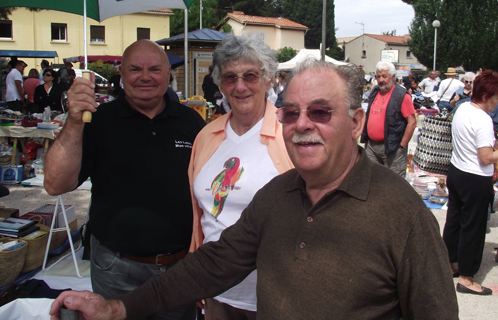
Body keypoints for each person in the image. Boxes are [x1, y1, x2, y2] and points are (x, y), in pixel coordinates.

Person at [50, 59, 458, 320]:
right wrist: (119, 307)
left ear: (355, 123)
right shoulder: (277, 194)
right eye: (291, 113)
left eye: (320, 111)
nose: (302, 124)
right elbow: (214, 263)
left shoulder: (401, 211)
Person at [44, 39, 205, 320]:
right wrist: (73, 120)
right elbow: (56, 184)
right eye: (135, 69)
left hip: (179, 270)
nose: (145, 76)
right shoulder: (96, 121)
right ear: (121, 74)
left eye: (154, 69)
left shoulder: (192, 123)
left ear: (168, 73)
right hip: (116, 269)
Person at [189, 34, 293, 319]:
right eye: (230, 78)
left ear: (268, 78)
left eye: (250, 76)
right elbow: (201, 217)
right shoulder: (206, 136)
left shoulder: (290, 134)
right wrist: (197, 272)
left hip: (275, 295)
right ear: (220, 84)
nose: (240, 86)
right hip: (217, 292)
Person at [442, 70, 498, 296]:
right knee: (472, 228)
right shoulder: (483, 119)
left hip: (456, 172)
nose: (497, 102)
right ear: (485, 95)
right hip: (475, 178)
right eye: (495, 97)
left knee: (454, 221)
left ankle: (448, 263)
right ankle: (466, 277)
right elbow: (485, 157)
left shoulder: (462, 108)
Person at [360, 61, 416, 178]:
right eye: (378, 76)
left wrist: (402, 146)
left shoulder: (402, 95)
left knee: (394, 184)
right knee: (372, 182)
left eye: (384, 76)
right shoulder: (375, 92)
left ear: (393, 77)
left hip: (393, 148)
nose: (381, 80)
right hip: (372, 147)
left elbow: (412, 122)